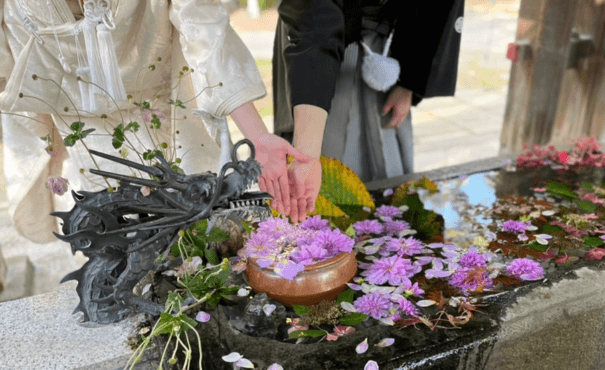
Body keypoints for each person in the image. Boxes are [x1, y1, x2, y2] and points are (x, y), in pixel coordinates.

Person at [0, 0, 309, 243]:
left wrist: (257, 136)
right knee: (106, 256)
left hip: (169, 129)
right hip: (85, 152)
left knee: (195, 247)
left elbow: (206, 34)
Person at [273, 0, 464, 222]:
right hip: (315, 35)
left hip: (391, 44)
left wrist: (410, 80)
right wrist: (307, 155)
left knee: (389, 176)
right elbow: (314, 26)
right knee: (317, 165)